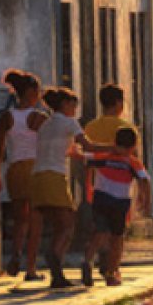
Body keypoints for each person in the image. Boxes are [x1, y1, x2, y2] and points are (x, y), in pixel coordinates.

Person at [28, 88, 111, 288]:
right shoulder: (68, 123)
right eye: (73, 105)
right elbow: (88, 146)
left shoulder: (47, 124)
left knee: (58, 223)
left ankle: (57, 268)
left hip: (38, 176)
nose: (75, 109)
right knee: (67, 224)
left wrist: (86, 157)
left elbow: (74, 152)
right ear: (65, 104)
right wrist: (113, 148)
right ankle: (54, 258)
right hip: (54, 176)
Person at [0, 70, 45, 280]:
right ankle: (30, 268)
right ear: (31, 92)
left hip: (14, 170)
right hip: (35, 168)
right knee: (35, 220)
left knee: (19, 219)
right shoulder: (39, 118)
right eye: (38, 91)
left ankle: (15, 254)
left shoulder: (7, 117)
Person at [81, 128, 151, 287]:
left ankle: (88, 260)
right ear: (133, 146)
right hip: (120, 203)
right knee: (117, 238)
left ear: (115, 142)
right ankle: (111, 273)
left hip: (100, 198)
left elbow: (86, 162)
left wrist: (89, 186)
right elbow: (144, 181)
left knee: (99, 232)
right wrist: (145, 200)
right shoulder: (132, 162)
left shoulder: (103, 158)